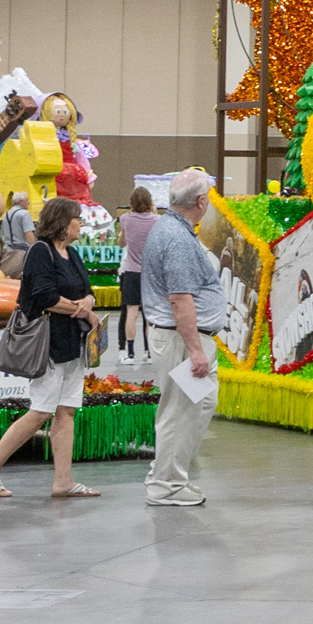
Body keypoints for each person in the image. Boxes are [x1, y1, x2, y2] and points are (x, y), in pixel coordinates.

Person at [0, 197, 103, 501]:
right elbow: (44, 297)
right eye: (77, 218)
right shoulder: (39, 254)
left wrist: (88, 302)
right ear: (62, 222)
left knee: (66, 410)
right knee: (41, 410)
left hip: (72, 343)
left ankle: (63, 480)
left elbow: (88, 291)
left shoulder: (72, 254)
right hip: (48, 345)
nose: (81, 223)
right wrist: (83, 310)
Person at [137, 169, 224, 508]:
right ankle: (166, 485)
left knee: (195, 405)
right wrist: (195, 350)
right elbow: (180, 299)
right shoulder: (177, 238)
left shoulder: (173, 228)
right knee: (180, 410)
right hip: (181, 340)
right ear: (201, 202)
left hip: (181, 338)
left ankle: (168, 474)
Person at [116, 185, 158, 360]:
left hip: (131, 271)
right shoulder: (157, 220)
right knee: (149, 315)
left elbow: (122, 243)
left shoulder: (125, 218)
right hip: (150, 273)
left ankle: (130, 351)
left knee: (131, 313)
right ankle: (148, 351)